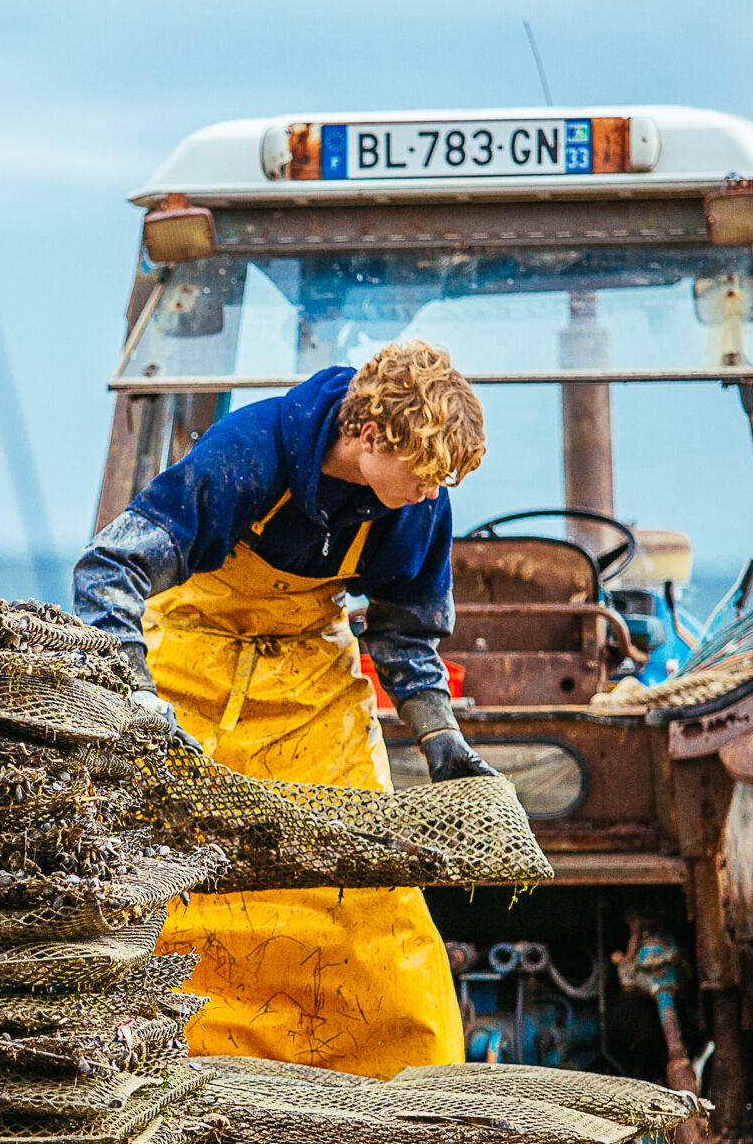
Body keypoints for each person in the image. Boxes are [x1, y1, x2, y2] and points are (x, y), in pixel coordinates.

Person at [73, 340, 495, 1077]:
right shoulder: (247, 452)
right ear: (369, 437)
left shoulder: (419, 508)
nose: (432, 493)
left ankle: (406, 1095)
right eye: (424, 476)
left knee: (371, 899)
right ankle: (174, 1083)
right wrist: (139, 708)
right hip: (189, 680)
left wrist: (442, 738)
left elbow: (405, 636)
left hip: (311, 685)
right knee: (173, 891)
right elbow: (108, 571)